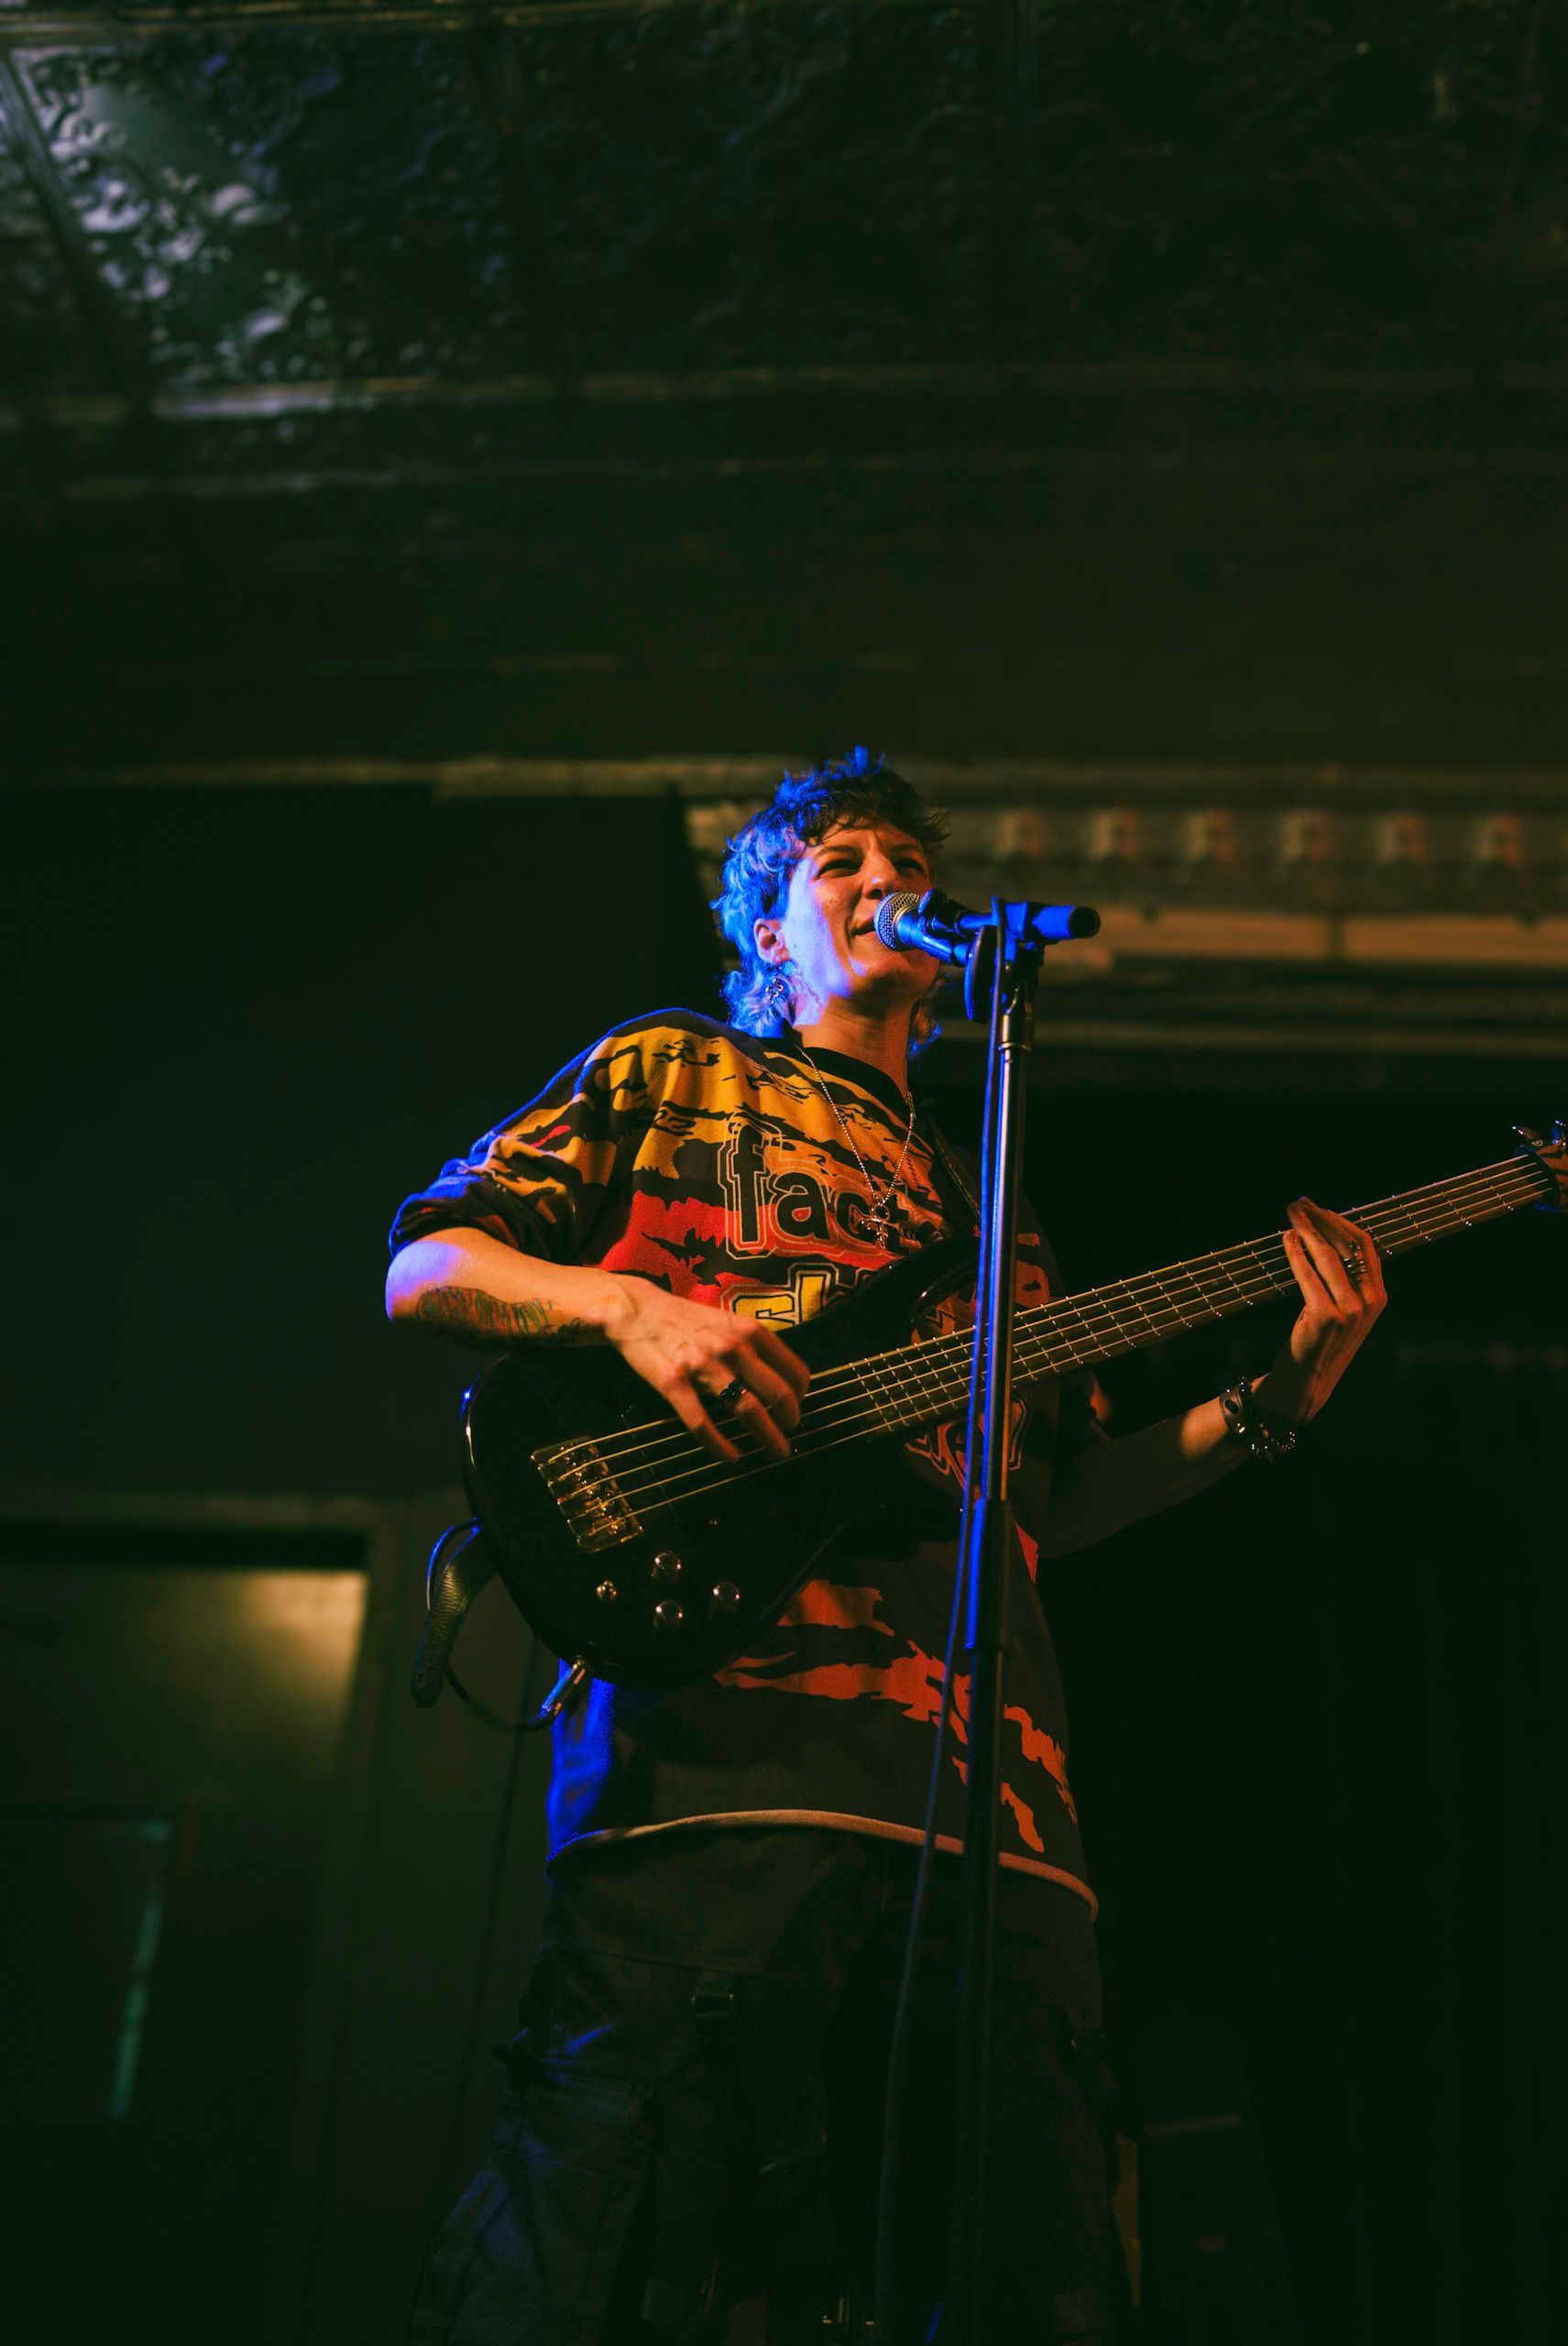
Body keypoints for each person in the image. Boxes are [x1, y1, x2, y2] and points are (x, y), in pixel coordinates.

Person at [385, 749, 1387, 2345]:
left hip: (996, 1814)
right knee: (612, 2256)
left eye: (904, 857)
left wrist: (1270, 1401)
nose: (880, 877)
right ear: (768, 932)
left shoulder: (996, 1210)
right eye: (838, 859)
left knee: (1017, 2277)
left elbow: (1041, 1506)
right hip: (721, 1766)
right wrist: (636, 1307)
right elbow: (429, 1266)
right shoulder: (672, 1072)